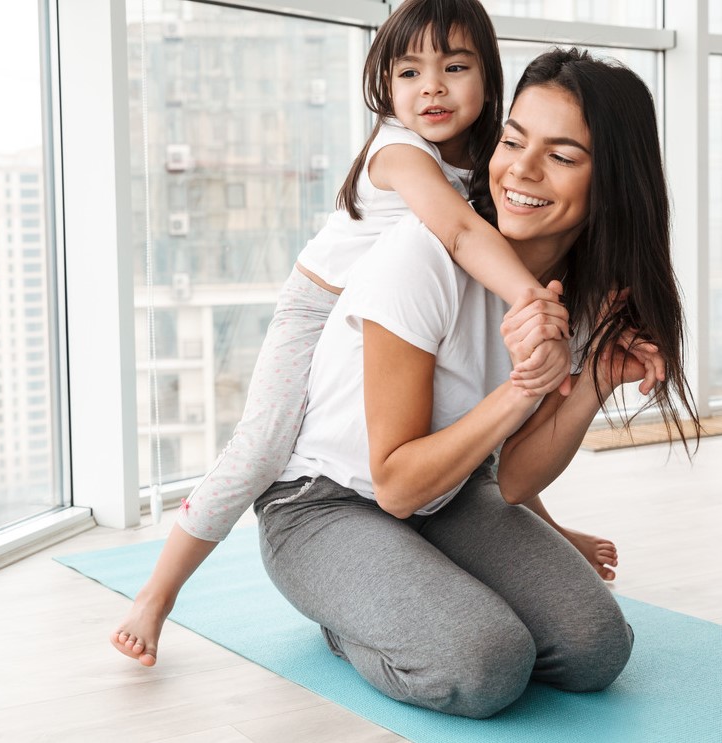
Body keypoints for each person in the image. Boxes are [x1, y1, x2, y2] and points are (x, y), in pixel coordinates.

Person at [112, 0, 582, 665]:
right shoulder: (399, 150)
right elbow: (457, 231)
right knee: (259, 447)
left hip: (382, 312)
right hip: (315, 311)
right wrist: (533, 301)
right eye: (410, 72)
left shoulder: (488, 161)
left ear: (488, 76)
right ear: (385, 85)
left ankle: (544, 531)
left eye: (455, 67)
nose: (433, 88)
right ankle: (156, 594)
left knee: (480, 415)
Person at [252, 48, 701, 718]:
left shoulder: (581, 293)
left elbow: (513, 481)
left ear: (611, 182)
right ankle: (350, 622)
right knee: (485, 663)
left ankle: (415, 594)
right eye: (512, 140)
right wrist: (522, 388)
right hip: (324, 505)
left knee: (594, 648)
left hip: (452, 496)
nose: (519, 168)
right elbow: (397, 484)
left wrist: (593, 381)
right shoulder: (420, 257)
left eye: (561, 155)